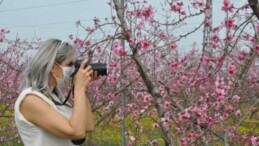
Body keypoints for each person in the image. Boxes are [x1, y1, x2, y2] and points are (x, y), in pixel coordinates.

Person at [14, 39, 97, 146]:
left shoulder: (56, 96)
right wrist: (79, 89)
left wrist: (80, 88)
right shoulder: (30, 100)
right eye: (69, 64)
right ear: (53, 67)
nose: (73, 69)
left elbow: (88, 125)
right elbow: (76, 132)